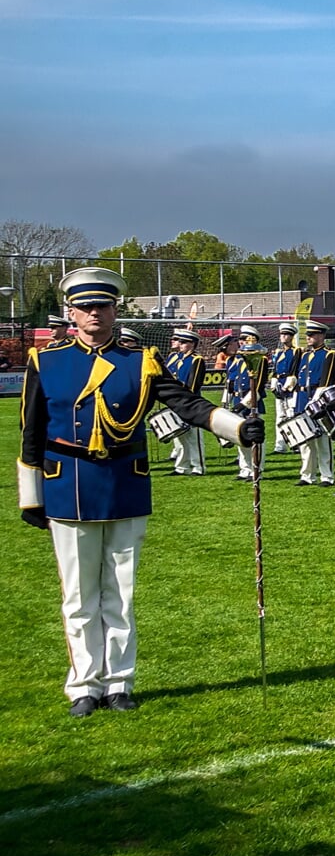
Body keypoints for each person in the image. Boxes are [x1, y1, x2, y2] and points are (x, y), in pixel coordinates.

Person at [18, 268, 264, 716]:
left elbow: (187, 404)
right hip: (69, 483)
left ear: (116, 310)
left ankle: (119, 683)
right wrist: (30, 495)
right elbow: (30, 433)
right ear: (70, 313)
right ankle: (84, 686)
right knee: (78, 596)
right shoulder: (46, 362)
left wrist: (238, 427)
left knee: (120, 593)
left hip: (124, 482)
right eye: (86, 307)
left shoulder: (142, 360)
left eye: (103, 306)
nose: (95, 314)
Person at [293, 320, 335, 486]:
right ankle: (307, 475)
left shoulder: (329, 354)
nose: (309, 338)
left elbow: (326, 380)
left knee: (322, 440)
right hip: (303, 396)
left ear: (321, 336)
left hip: (319, 398)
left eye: (312, 335)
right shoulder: (305, 355)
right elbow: (299, 379)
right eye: (308, 335)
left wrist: (316, 400)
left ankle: (327, 476)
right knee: (306, 440)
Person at [162, 329, 206, 475]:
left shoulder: (196, 359)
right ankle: (182, 466)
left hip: (190, 402)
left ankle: (198, 466)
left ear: (192, 344)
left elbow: (194, 383)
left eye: (184, 342)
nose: (180, 344)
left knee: (194, 437)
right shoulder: (176, 358)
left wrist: (186, 399)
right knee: (180, 437)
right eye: (179, 341)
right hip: (175, 401)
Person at [226, 327, 266, 483]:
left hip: (251, 402)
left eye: (245, 339)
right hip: (238, 400)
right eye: (241, 340)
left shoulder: (259, 359)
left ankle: (257, 468)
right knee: (239, 437)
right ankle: (245, 469)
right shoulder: (237, 360)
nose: (241, 342)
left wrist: (244, 404)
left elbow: (258, 385)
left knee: (255, 437)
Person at [269, 322, 300, 454]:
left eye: (286, 334)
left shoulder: (296, 351)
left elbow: (294, 370)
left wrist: (288, 387)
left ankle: (296, 443)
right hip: (280, 383)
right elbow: (275, 370)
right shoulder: (280, 352)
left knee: (291, 415)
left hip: (290, 386)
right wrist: (274, 385)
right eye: (282, 334)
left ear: (292, 336)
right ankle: (280, 445)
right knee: (280, 416)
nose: (283, 336)